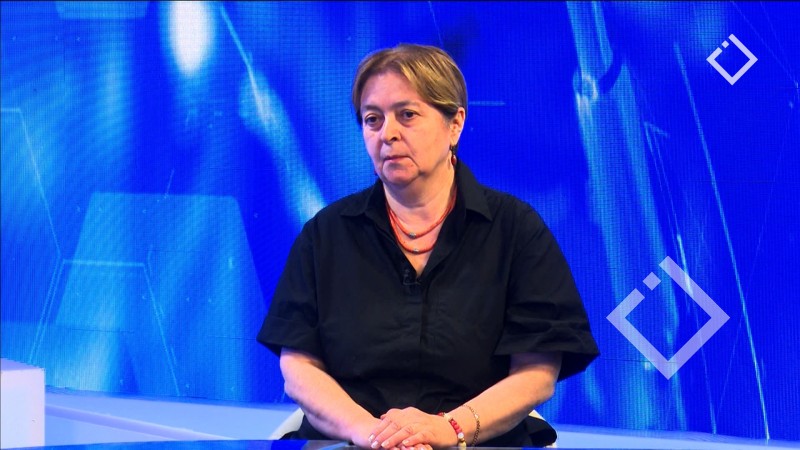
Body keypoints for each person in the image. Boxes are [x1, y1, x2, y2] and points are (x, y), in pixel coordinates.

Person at [257, 43, 599, 449]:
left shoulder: (515, 229)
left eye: (407, 115)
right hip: (354, 441)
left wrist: (448, 429)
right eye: (372, 119)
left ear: (455, 124)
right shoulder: (326, 234)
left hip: (478, 440)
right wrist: (370, 433)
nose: (388, 133)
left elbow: (537, 372)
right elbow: (299, 367)